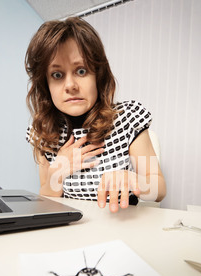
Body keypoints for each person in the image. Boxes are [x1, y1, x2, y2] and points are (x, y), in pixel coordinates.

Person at [25, 17, 166, 213]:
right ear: (46, 85)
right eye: (57, 75)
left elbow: (159, 189)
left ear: (98, 76)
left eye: (81, 71)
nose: (70, 85)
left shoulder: (128, 119)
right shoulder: (43, 132)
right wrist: (57, 172)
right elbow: (47, 196)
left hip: (122, 228)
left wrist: (134, 180)